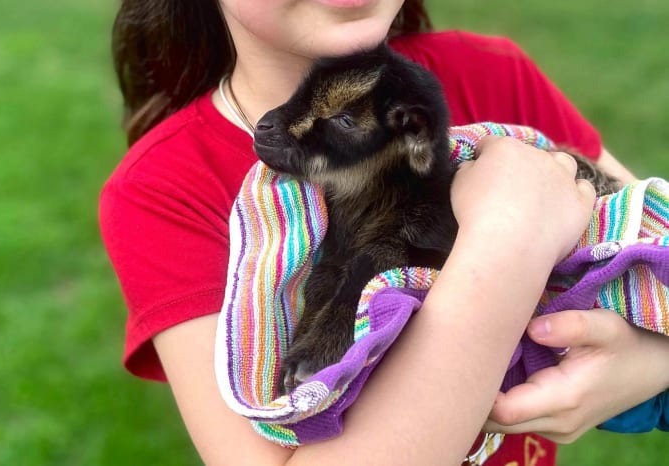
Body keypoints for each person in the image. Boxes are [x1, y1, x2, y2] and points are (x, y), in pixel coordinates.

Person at [99, 1, 669, 464]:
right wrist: (510, 234)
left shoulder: (493, 74)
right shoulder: (164, 192)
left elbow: (651, 241)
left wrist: (648, 367)